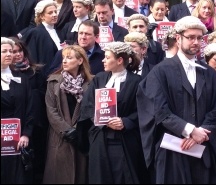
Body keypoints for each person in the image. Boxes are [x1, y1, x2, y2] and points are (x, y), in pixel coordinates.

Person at [137, 16, 216, 183]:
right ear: (178, 38)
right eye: (190, 37)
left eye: (199, 38)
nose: (196, 42)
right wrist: (190, 130)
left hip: (202, 150)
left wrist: (201, 133)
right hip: (173, 151)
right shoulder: (160, 71)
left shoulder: (209, 73)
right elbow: (159, 110)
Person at [78, 42, 149, 183]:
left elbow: (143, 110)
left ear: (120, 60)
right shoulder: (99, 78)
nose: (103, 60)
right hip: (100, 138)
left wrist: (125, 121)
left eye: (107, 57)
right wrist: (102, 120)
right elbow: (88, 106)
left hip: (126, 139)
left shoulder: (137, 82)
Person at [43, 45, 92, 184]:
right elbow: (51, 110)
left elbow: (91, 108)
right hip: (60, 137)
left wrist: (79, 130)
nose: (64, 61)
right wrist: (67, 130)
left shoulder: (91, 82)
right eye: (63, 58)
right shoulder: (53, 81)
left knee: (81, 175)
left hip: (81, 136)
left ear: (80, 61)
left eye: (69, 58)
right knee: (58, 176)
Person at [10, 38, 47, 184]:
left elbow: (44, 95)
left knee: (35, 156)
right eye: (14, 51)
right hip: (14, 121)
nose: (18, 54)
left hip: (36, 120)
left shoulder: (35, 71)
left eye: (20, 51)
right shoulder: (8, 74)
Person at [1, 37, 33, 184]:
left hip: (18, 141)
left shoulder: (22, 78)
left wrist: (26, 134)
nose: (9, 54)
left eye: (10, 51)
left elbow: (30, 108)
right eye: (4, 51)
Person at [25, 0, 61, 78]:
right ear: (41, 16)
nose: (54, 15)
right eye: (50, 13)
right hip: (42, 79)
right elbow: (33, 60)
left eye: (55, 12)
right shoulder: (35, 33)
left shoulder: (58, 32)